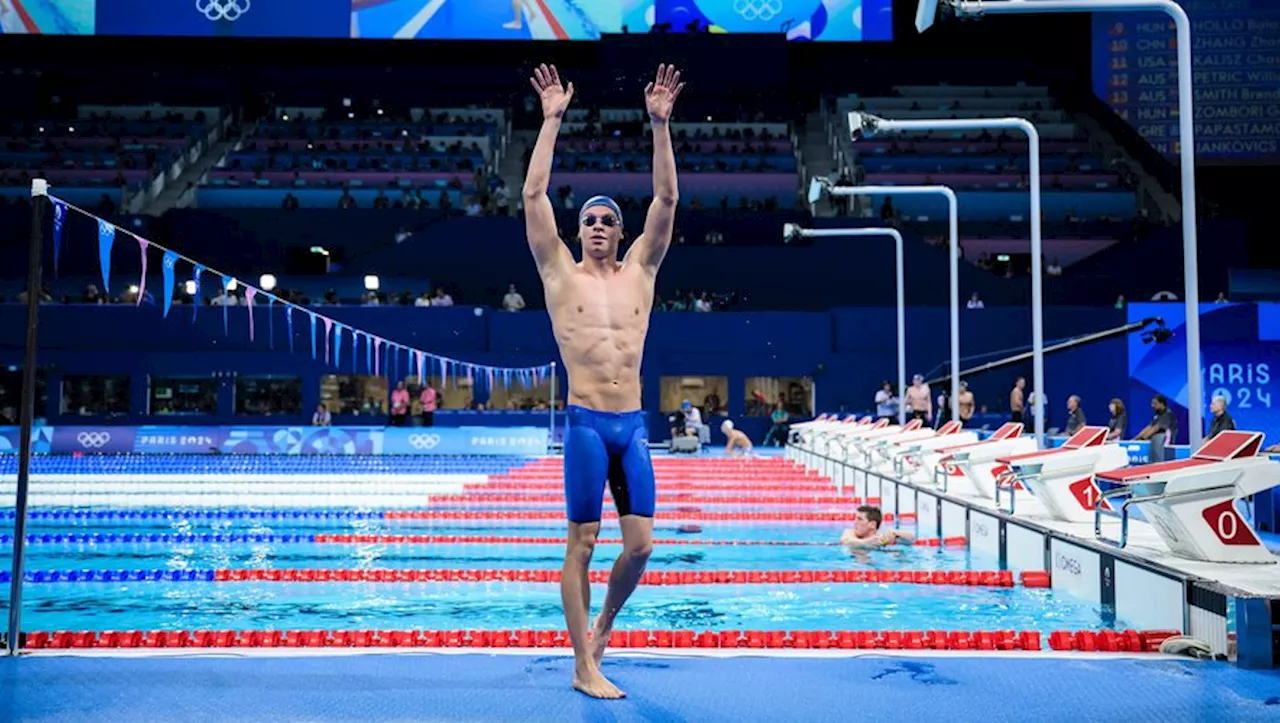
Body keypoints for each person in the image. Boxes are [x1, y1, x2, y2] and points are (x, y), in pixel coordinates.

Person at [522, 62, 684, 699]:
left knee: (640, 546)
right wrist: (552, 119)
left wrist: (659, 126)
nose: (595, 226)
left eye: (606, 220)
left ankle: (604, 629)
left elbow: (666, 201)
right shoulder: (559, 274)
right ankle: (582, 664)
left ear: (621, 231)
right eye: (587, 219)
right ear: (577, 231)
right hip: (587, 423)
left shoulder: (642, 269)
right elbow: (534, 198)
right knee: (582, 543)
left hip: (632, 425)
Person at [839, 505, 915, 548]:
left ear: (872, 524)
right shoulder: (850, 533)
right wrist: (866, 542)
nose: (855, 522)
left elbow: (912, 539)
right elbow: (847, 541)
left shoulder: (882, 538)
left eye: (860, 519)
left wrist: (895, 533)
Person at [1134, 394, 1177, 463]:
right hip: (1155, 440)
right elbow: (1150, 426)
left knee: (1159, 461)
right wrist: (1136, 438)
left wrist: (1143, 438)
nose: (1152, 406)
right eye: (1152, 403)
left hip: (1164, 443)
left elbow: (1156, 428)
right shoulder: (1157, 414)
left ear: (1161, 404)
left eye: (1155, 404)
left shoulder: (1167, 414)